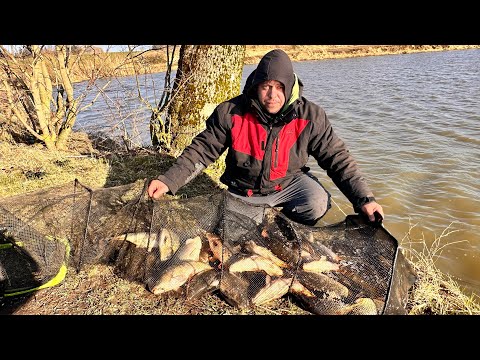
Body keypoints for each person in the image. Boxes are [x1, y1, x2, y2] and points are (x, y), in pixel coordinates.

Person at [148, 49, 384, 226]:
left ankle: (286, 227)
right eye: (266, 87)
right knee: (233, 232)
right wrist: (169, 181)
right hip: (245, 192)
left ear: (290, 87)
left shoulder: (311, 116)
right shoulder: (231, 112)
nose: (272, 95)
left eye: (279, 87)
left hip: (289, 185)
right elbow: (202, 150)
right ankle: (257, 222)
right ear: (256, 87)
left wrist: (365, 199)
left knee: (317, 202)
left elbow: (337, 158)